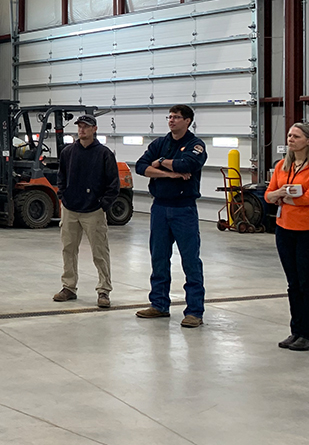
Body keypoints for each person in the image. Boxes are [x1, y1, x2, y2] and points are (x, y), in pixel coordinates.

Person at [134, 104, 207, 328]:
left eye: (176, 117)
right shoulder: (160, 143)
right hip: (159, 208)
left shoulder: (195, 145)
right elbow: (141, 166)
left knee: (190, 261)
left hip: (184, 209)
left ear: (188, 121)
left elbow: (188, 164)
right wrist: (170, 174)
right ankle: (159, 304)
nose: (171, 120)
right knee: (159, 258)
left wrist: (161, 162)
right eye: (170, 117)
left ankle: (194, 311)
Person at [264, 122, 309, 351]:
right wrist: (278, 194)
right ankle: (296, 330)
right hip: (285, 230)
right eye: (289, 135)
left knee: (307, 283)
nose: (290, 139)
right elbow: (268, 195)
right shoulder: (283, 165)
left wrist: (283, 198)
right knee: (293, 284)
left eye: (296, 136)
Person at [53, 114, 119, 308]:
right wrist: (63, 196)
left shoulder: (104, 154)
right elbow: (61, 176)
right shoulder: (68, 152)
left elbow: (113, 184)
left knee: (100, 251)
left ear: (94, 129)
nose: (82, 129)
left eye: (86, 126)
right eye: (80, 126)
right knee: (68, 249)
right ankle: (69, 287)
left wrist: (103, 205)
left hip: (93, 211)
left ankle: (104, 290)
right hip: (70, 209)